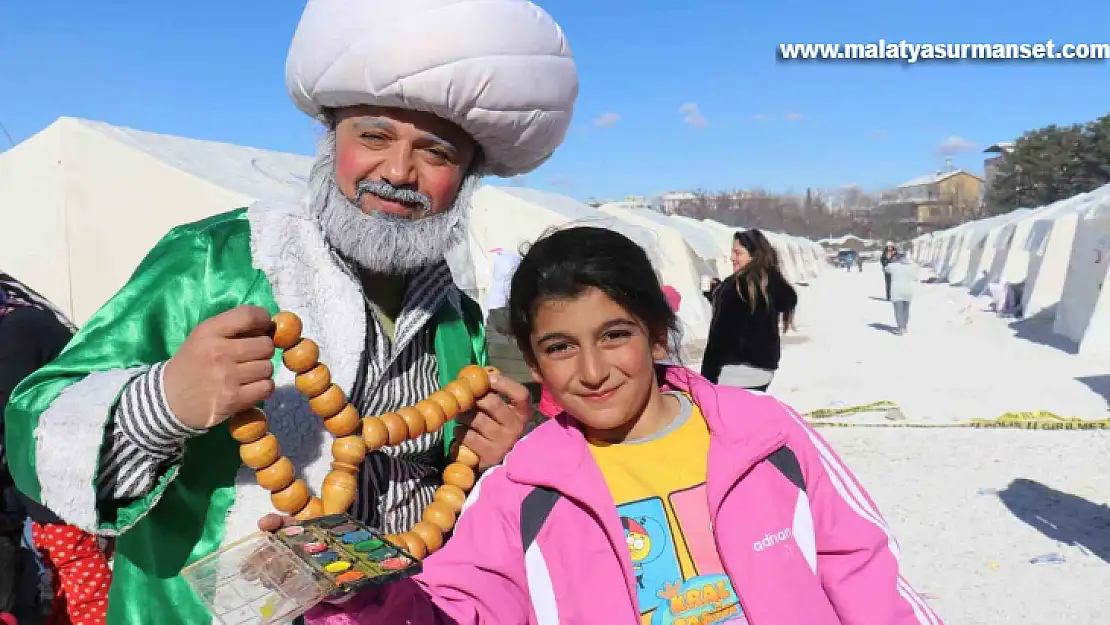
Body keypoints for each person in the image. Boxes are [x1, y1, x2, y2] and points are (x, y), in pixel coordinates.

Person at [4, 0, 578, 622]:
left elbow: (459, 496)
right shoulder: (217, 261)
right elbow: (34, 430)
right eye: (374, 136)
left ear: (465, 178)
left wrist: (505, 450)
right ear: (331, 142)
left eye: (436, 153)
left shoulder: (458, 322)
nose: (398, 172)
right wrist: (164, 401)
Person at [286, 226, 943, 625]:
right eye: (561, 347)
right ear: (533, 354)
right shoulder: (522, 489)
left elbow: (868, 577)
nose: (593, 370)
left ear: (657, 330)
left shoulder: (767, 438)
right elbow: (457, 610)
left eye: (615, 334)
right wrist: (357, 591)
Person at [1, 274, 115, 625]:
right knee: (67, 595)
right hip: (57, 494)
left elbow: (9, 421)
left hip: (67, 494)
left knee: (87, 600)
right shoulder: (25, 319)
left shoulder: (17, 332)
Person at [700, 230, 797, 392]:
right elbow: (749, 310)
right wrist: (717, 293)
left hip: (733, 372)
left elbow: (721, 337)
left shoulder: (734, 286)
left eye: (738, 253)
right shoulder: (768, 283)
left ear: (753, 255)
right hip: (764, 370)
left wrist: (707, 378)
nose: (732, 258)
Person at [885, 252, 920, 335]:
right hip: (908, 290)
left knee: (898, 310)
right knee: (906, 309)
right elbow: (915, 277)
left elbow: (886, 269)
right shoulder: (911, 267)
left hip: (897, 290)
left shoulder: (893, 266)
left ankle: (900, 328)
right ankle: (904, 326)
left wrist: (892, 261)